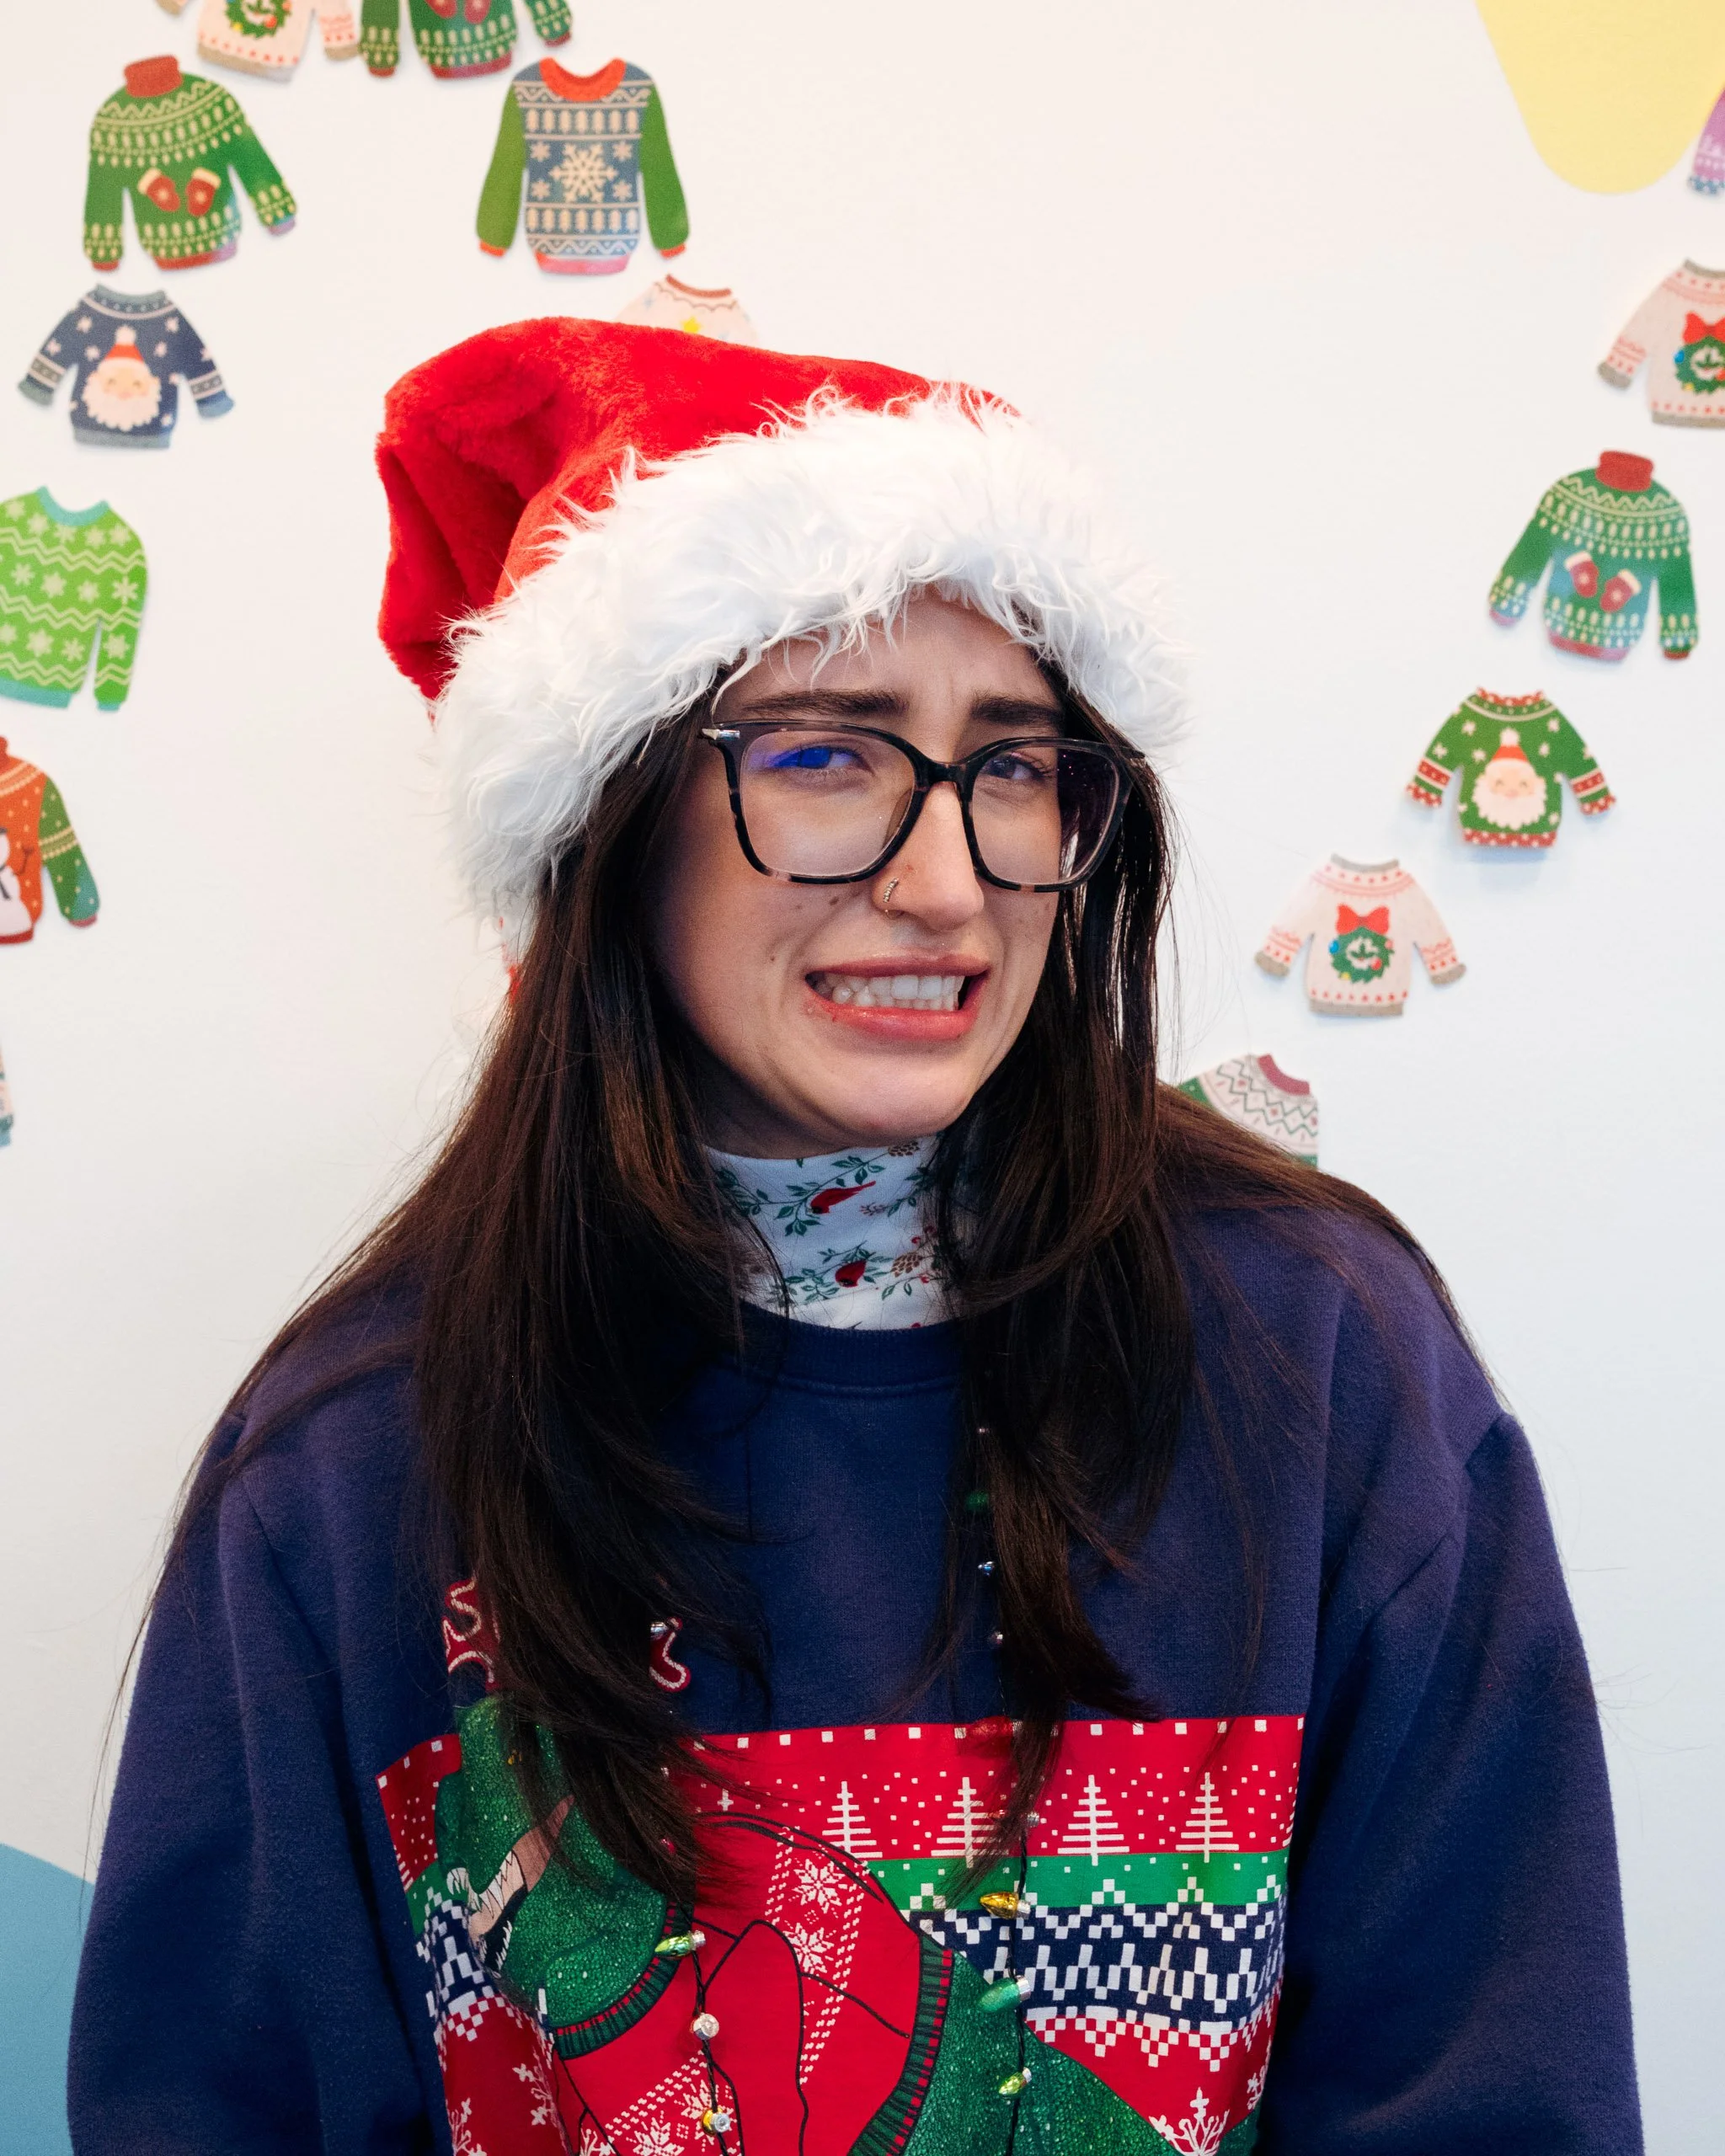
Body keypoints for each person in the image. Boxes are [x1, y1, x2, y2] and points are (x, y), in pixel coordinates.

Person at [68, 323, 1641, 2155]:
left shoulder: (1321, 1364)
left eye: (1015, 765)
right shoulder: (350, 1462)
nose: (946, 876)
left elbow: (1496, 2096)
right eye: (824, 754)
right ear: (610, 819)